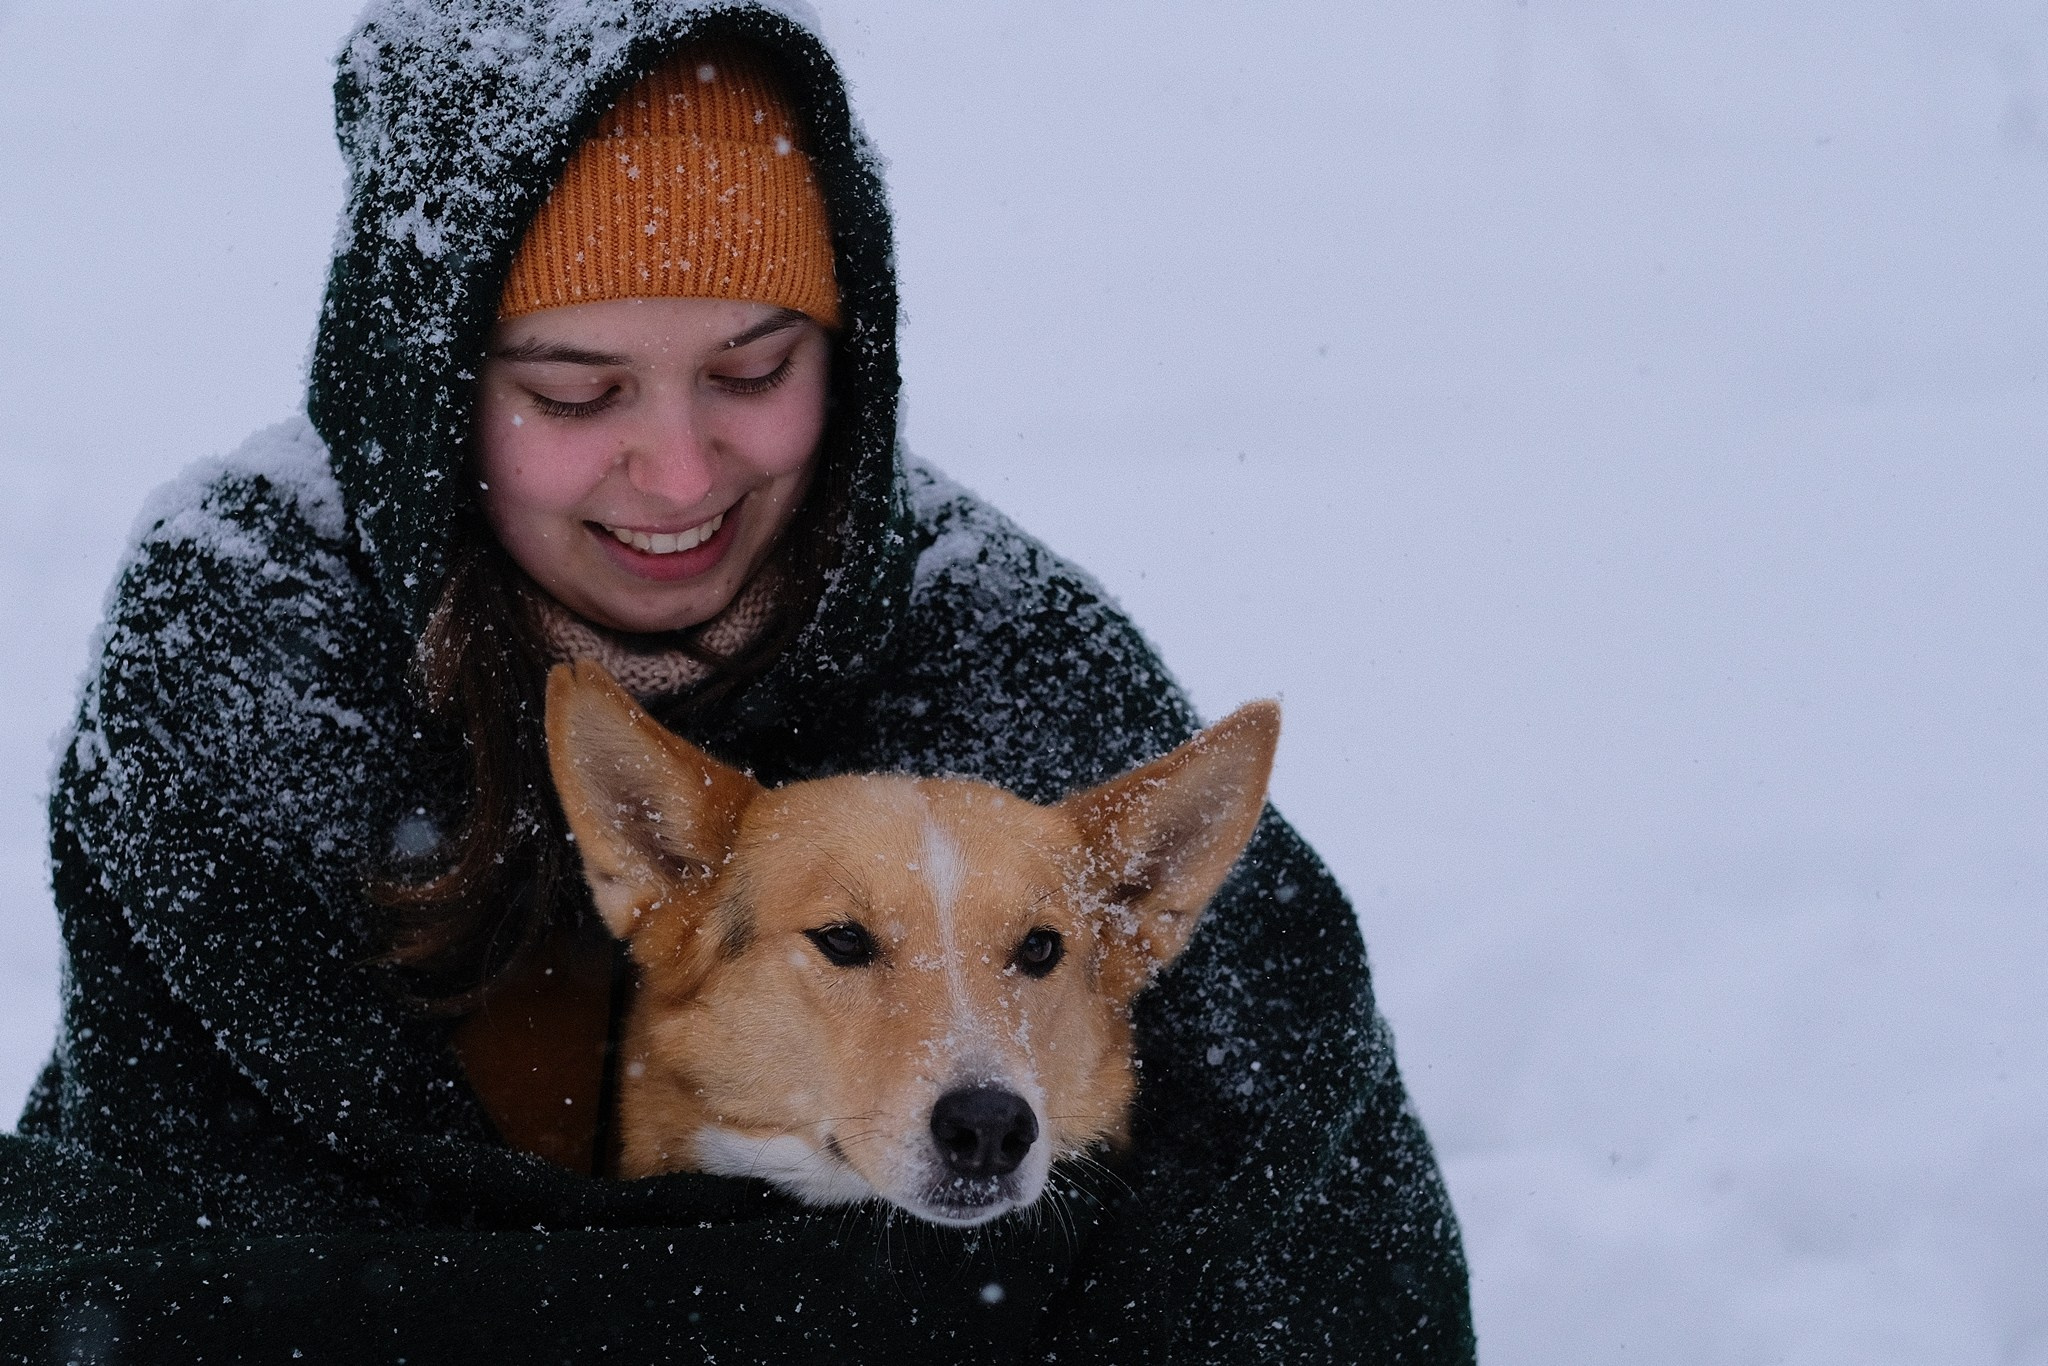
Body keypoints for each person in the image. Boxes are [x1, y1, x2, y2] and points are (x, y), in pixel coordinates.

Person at [0, 3, 1475, 1360]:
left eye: (755, 371)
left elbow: (1303, 1210)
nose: (682, 472)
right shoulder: (246, 639)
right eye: (576, 393)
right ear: (432, 387)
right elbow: (208, 1249)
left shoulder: (993, 641)